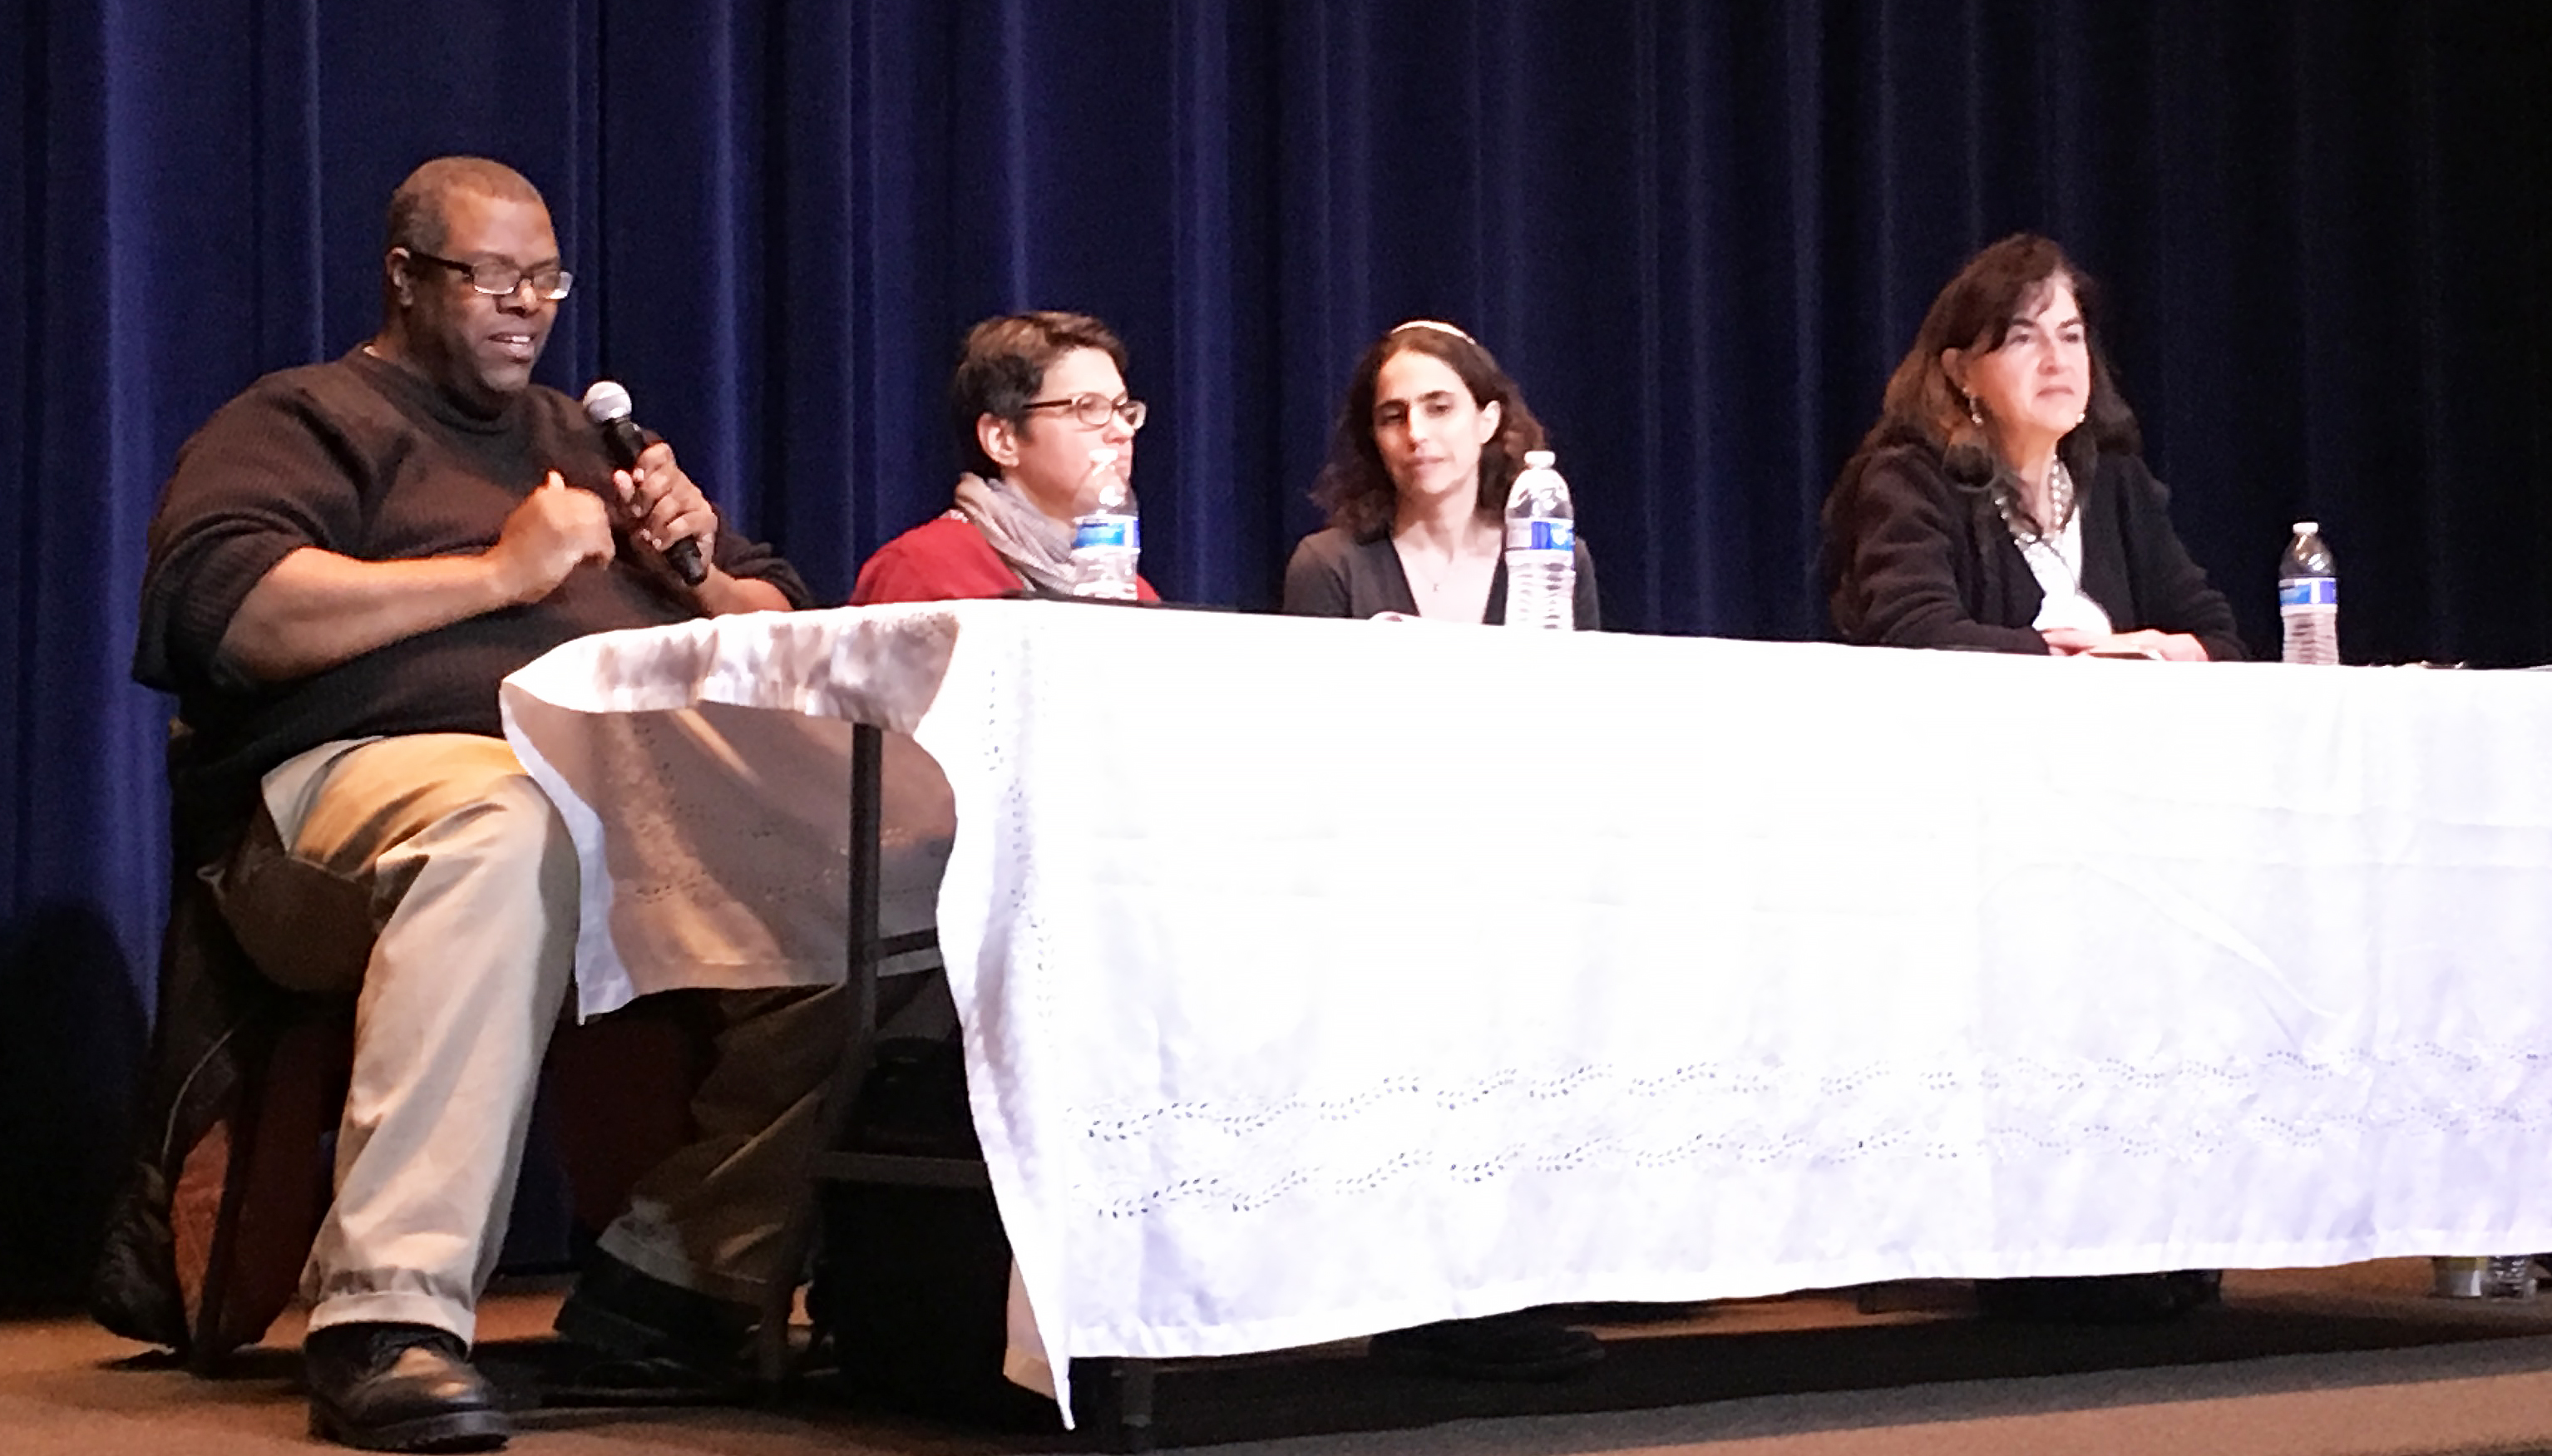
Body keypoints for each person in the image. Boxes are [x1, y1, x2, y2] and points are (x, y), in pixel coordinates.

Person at [131, 156, 836, 1452]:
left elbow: (777, 622)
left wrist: (699, 568)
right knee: (507, 821)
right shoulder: (306, 416)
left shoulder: (593, 446)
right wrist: (499, 570)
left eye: (546, 279)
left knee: (879, 883)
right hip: (348, 802)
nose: (526, 305)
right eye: (491, 276)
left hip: (627, 803)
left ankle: (671, 1277)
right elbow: (225, 613)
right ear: (404, 276)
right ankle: (385, 1318)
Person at [1820, 234, 2244, 661]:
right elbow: (1914, 631)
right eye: (2023, 338)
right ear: (1961, 372)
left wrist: (2166, 649)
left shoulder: (2117, 484)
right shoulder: (1910, 482)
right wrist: (2076, 656)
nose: (2056, 361)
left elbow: (2219, 638)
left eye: (2071, 337)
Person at [1282, 319, 1598, 627]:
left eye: (1439, 409)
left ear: (1488, 421)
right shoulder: (1329, 564)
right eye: (1393, 417)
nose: (1416, 433)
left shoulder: (1552, 556)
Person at [851, 310, 1161, 604]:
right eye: (1088, 408)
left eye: (1123, 409)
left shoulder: (1134, 593)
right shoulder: (922, 571)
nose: (1122, 430)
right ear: (1002, 440)